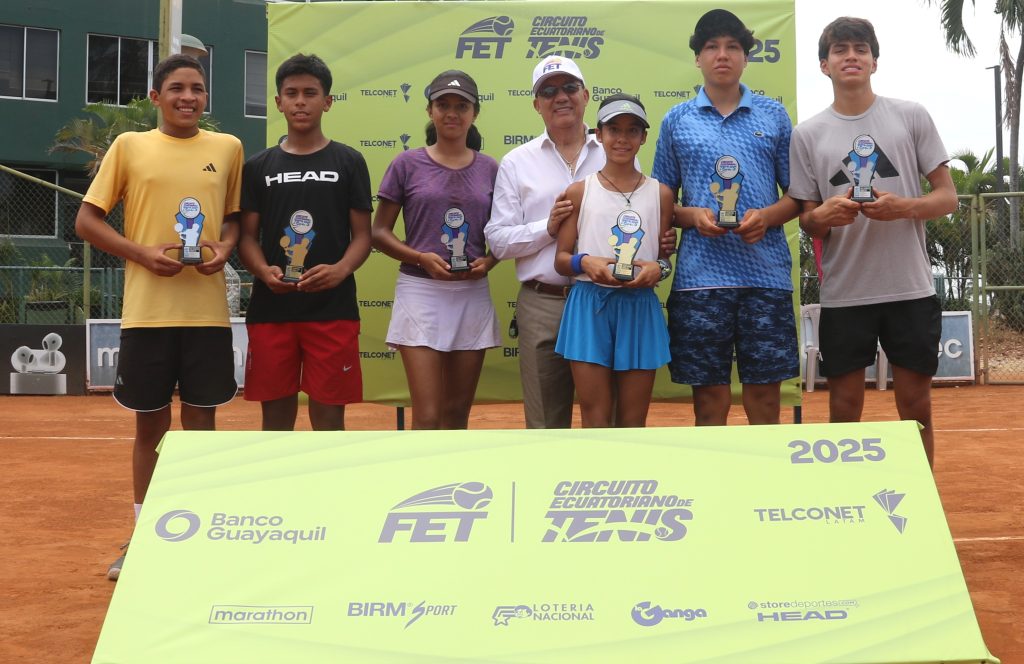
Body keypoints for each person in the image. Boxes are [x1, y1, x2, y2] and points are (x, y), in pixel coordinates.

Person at [74, 54, 243, 579]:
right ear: (155, 97)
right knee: (150, 427)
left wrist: (225, 249)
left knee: (201, 427)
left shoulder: (228, 148)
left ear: (206, 96)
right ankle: (144, 537)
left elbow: (234, 220)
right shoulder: (129, 146)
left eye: (197, 88)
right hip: (147, 314)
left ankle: (198, 531)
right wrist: (141, 254)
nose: (188, 97)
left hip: (207, 316)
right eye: (176, 88)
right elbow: (86, 221)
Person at [789, 17, 957, 466]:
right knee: (844, 410)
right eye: (840, 50)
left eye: (860, 49)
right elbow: (808, 219)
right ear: (824, 65)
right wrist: (822, 216)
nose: (851, 56)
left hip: (910, 289)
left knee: (916, 408)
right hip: (845, 292)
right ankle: (847, 498)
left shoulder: (910, 116)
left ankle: (922, 497)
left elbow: (947, 197)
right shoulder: (807, 134)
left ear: (874, 62)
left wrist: (904, 207)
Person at [651, 9, 800, 427]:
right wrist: (692, 216)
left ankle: (764, 472)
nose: (722, 55)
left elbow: (798, 196)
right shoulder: (677, 120)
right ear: (697, 57)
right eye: (712, 46)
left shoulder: (774, 115)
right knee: (709, 403)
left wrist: (767, 217)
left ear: (746, 57)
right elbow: (661, 200)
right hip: (700, 280)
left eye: (732, 46)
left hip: (765, 277)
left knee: (765, 400)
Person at [238, 54, 372, 431]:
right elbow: (246, 238)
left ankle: (327, 476)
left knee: (329, 419)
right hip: (272, 310)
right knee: (275, 421)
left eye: (310, 93)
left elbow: (364, 235)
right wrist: (262, 271)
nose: (300, 102)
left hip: (332, 309)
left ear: (327, 101)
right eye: (291, 93)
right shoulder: (258, 167)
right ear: (278, 102)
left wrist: (341, 270)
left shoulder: (349, 161)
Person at [371, 69, 501, 429]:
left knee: (457, 414)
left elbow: (504, 234)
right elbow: (379, 232)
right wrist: (419, 258)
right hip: (420, 291)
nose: (452, 113)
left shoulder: (491, 168)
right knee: (427, 415)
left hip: (471, 292)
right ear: (430, 110)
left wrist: (490, 261)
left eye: (462, 106)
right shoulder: (406, 164)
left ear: (475, 113)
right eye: (443, 105)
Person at [485, 55, 603, 429]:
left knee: (606, 420)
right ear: (537, 104)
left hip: (603, 299)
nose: (560, 97)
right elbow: (498, 241)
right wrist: (547, 229)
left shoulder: (614, 151)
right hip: (543, 302)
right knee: (545, 426)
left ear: (586, 95)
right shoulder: (517, 162)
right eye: (548, 91)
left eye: (569, 87)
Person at [554, 94, 674, 427]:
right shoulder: (579, 191)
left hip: (639, 306)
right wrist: (584, 263)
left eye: (632, 130)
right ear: (598, 134)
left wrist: (659, 269)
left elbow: (664, 261)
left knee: (634, 422)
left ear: (644, 137)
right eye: (614, 129)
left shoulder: (662, 194)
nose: (622, 138)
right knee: (594, 417)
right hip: (588, 305)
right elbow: (561, 260)